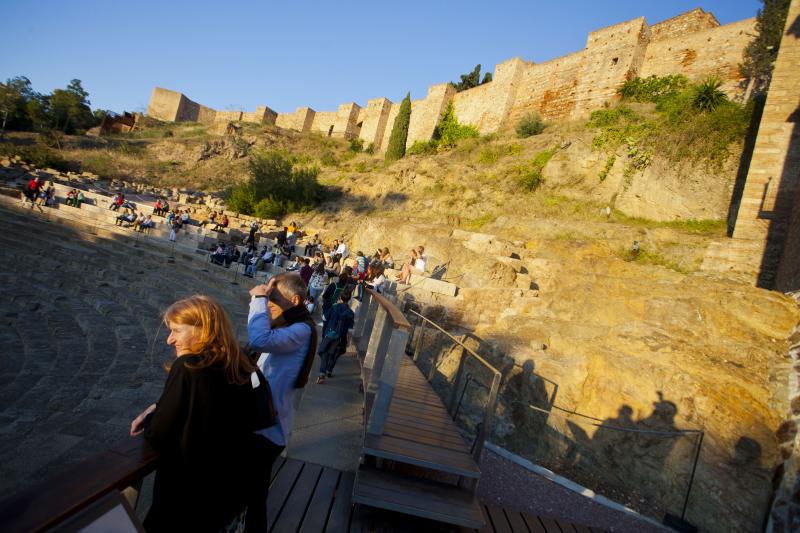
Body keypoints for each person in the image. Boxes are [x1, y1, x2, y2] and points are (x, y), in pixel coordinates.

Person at [129, 295, 268, 533]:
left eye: (176, 331)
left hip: (186, 493)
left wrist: (154, 414)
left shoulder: (187, 368)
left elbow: (159, 434)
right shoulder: (241, 362)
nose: (169, 339)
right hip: (224, 491)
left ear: (203, 331)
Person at [246, 274, 317, 532]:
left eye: (274, 299)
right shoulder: (288, 326)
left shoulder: (300, 330)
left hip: (267, 429)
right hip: (263, 424)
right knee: (252, 497)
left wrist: (258, 299)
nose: (268, 303)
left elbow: (258, 340)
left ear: (295, 300)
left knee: (252, 497)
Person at [316, 287, 354, 383]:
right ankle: (329, 370)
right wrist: (348, 342)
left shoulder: (334, 307)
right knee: (335, 353)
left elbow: (324, 318)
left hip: (329, 334)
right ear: (350, 299)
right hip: (341, 337)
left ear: (340, 297)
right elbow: (350, 329)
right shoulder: (350, 313)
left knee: (324, 352)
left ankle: (322, 374)